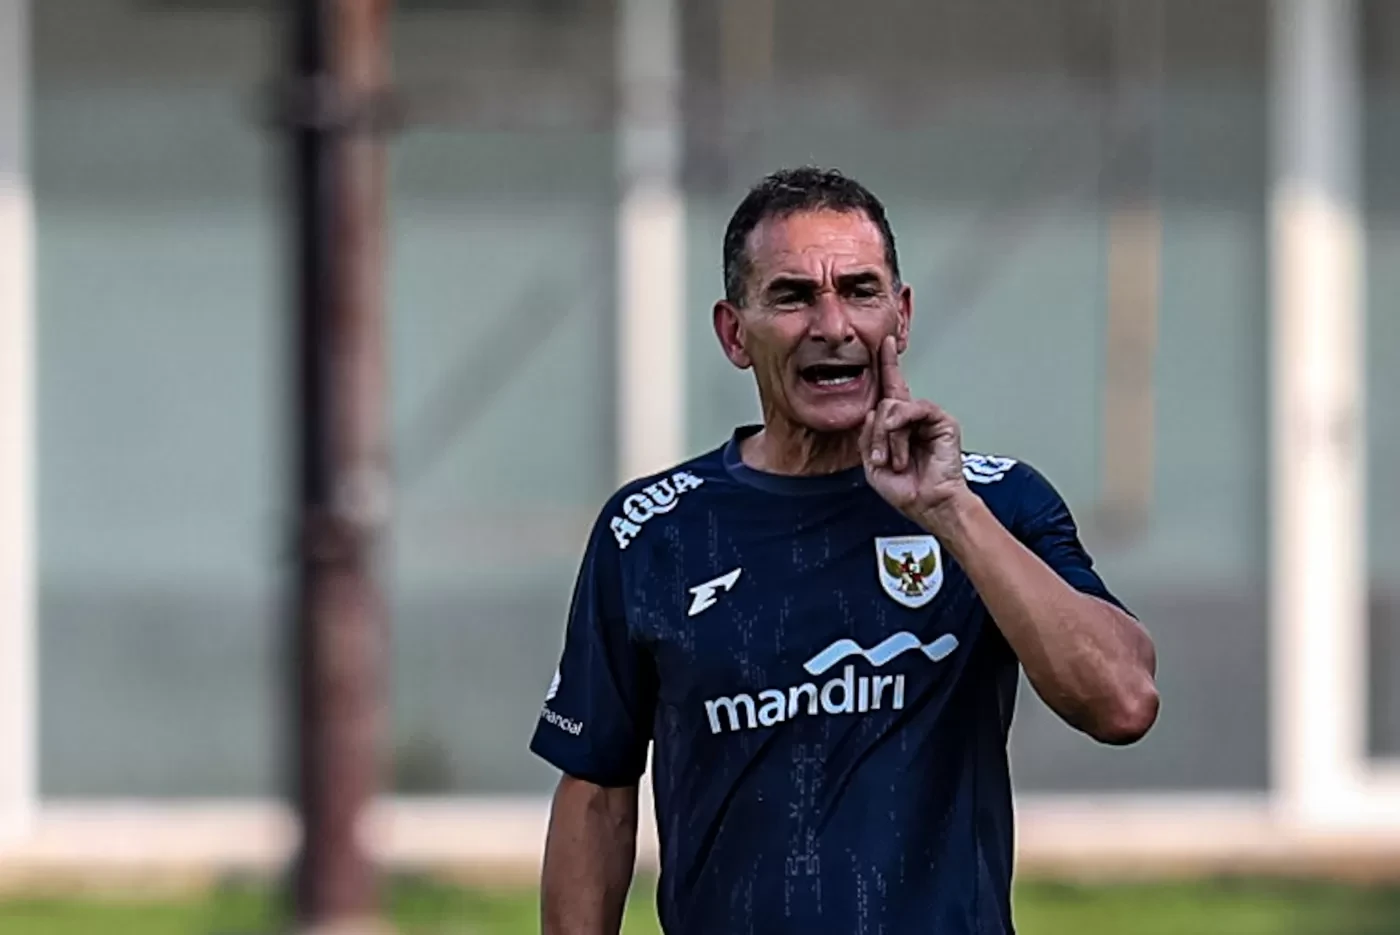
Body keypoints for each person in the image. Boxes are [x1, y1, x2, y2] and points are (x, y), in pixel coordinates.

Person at [529, 166, 1159, 935]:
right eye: (793, 296)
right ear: (734, 333)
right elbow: (596, 795)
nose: (833, 324)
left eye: (860, 291)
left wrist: (949, 510)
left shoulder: (997, 502)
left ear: (901, 316)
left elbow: (1122, 700)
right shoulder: (652, 530)